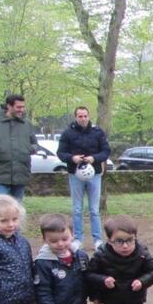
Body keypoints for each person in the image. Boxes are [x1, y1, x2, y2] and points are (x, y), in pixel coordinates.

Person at [57, 106, 111, 250]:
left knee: (94, 209)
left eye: (85, 116)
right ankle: (78, 239)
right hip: (75, 174)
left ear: (89, 116)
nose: (83, 119)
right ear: (75, 117)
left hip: (95, 174)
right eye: (80, 116)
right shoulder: (67, 133)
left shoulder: (98, 132)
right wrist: (72, 158)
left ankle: (98, 240)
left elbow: (106, 151)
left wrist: (94, 158)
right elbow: (61, 153)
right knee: (77, 209)